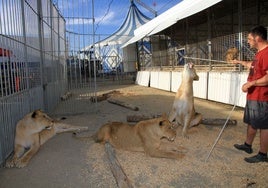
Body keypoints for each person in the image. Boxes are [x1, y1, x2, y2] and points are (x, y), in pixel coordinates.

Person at [231, 25, 268, 163]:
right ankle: (247, 145)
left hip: (262, 98)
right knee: (252, 122)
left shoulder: (267, 53)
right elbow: (252, 65)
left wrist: (251, 84)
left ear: (257, 38)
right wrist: (239, 62)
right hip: (253, 97)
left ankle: (263, 154)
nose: (247, 41)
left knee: (264, 126)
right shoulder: (259, 53)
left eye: (249, 38)